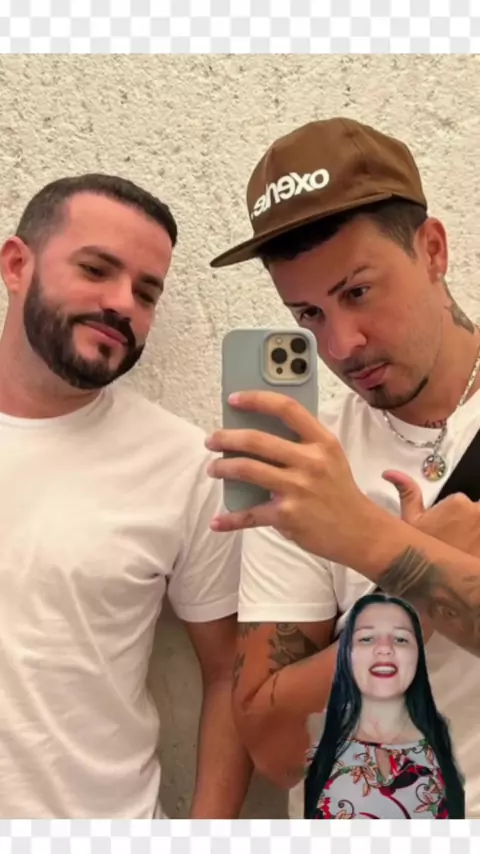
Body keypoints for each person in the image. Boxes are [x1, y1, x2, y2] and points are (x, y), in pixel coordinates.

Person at [206, 117, 480, 817]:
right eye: (308, 314)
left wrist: (366, 538)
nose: (340, 345)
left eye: (357, 292)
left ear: (433, 249)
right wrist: (409, 589)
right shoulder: (304, 465)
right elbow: (273, 744)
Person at [0, 173, 252, 818]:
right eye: (95, 269)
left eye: (146, 292)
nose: (122, 304)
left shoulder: (185, 465)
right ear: (17, 265)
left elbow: (230, 672)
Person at [304, 592, 464, 819]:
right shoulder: (316, 730)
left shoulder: (440, 735)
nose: (384, 649)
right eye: (366, 639)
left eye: (401, 639)